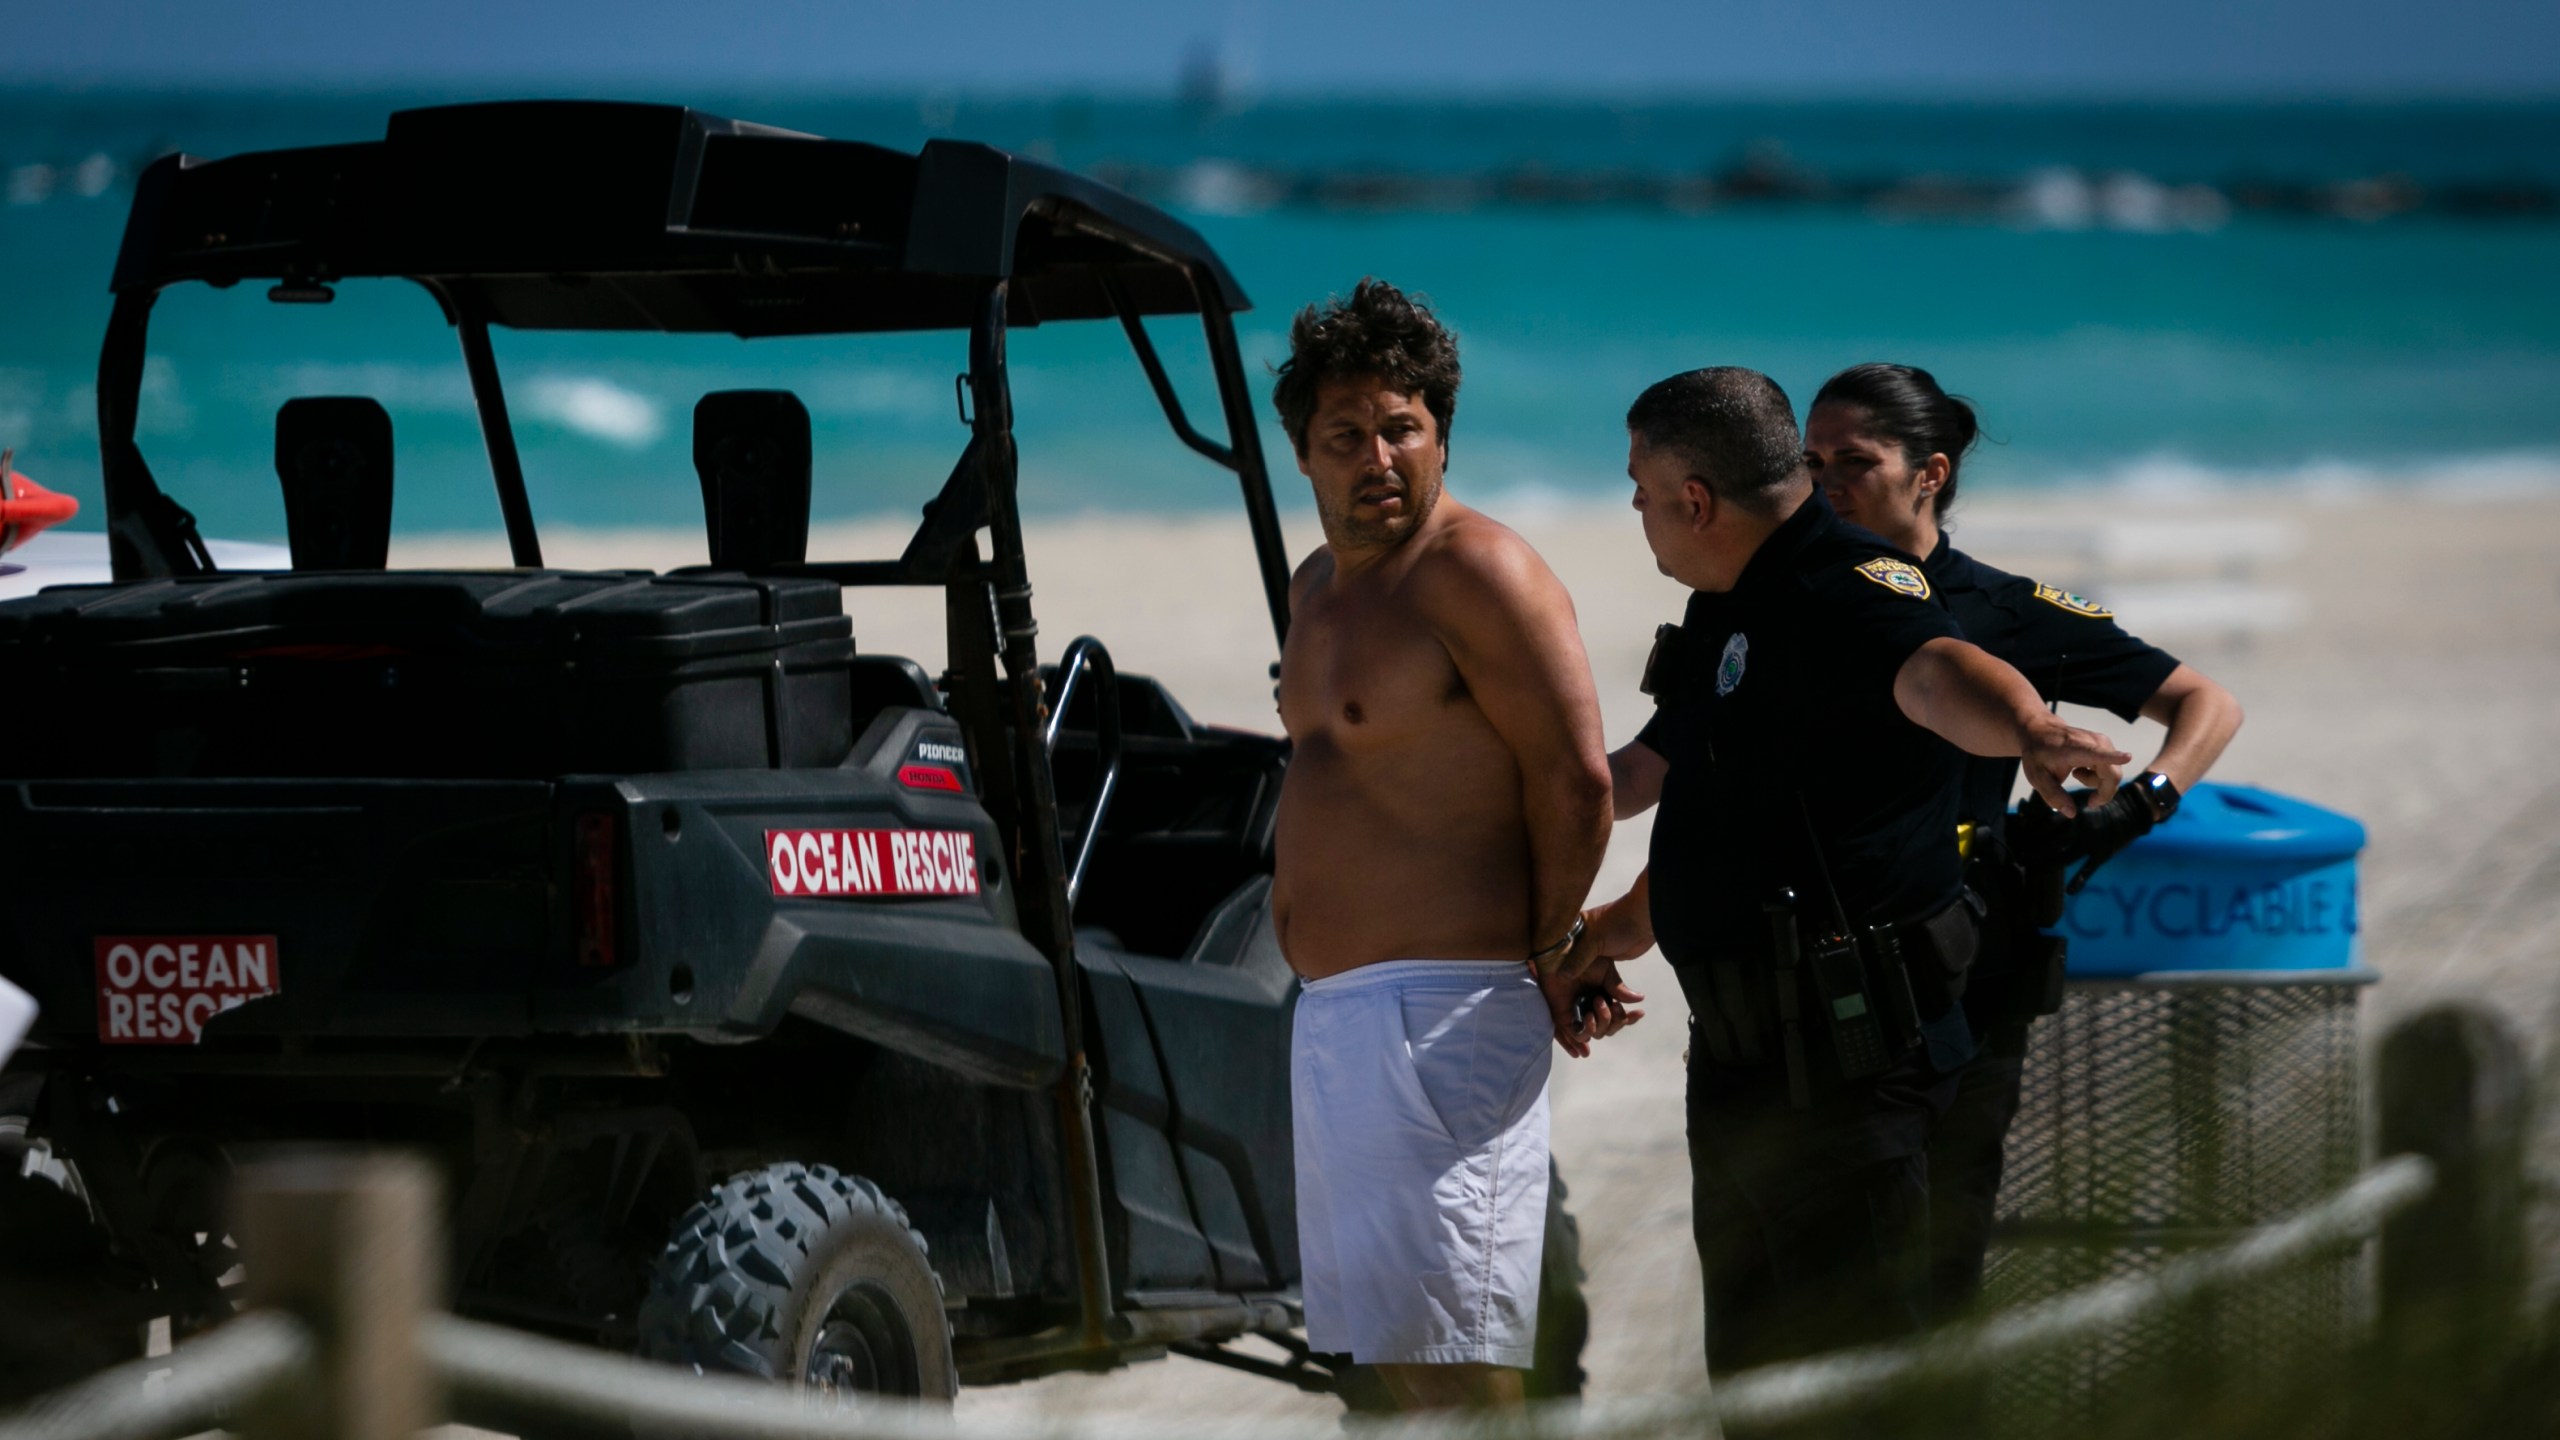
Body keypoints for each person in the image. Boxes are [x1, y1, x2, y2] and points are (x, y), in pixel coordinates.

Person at [1557, 367, 2130, 1381]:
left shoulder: (1850, 583)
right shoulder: (1720, 608)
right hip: (1736, 1069)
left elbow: (1937, 668)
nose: (1635, 506)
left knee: (1854, 1390)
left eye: (1640, 485)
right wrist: (1600, 931)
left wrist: (2033, 728)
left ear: (1696, 499)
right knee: (1754, 1384)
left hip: (1844, 1071)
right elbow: (1702, 803)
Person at [1803, 362, 2244, 1317]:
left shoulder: (2007, 611)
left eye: (1853, 460)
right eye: (1810, 461)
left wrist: (2147, 801)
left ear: (1931, 471)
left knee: (1940, 1261)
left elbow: (2208, 702)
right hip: (1826, 969)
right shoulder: (1798, 599)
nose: (1825, 482)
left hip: (1967, 972)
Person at [1268, 278, 1630, 1411]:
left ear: (1439, 433)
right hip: (1338, 1017)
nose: (1376, 456)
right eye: (1346, 434)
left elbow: (1576, 779)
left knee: (1461, 1369)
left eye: (1401, 427)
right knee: (1385, 1362)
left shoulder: (1478, 570)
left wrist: (1554, 943)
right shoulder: (1315, 587)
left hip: (1449, 1013)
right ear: (1305, 453)